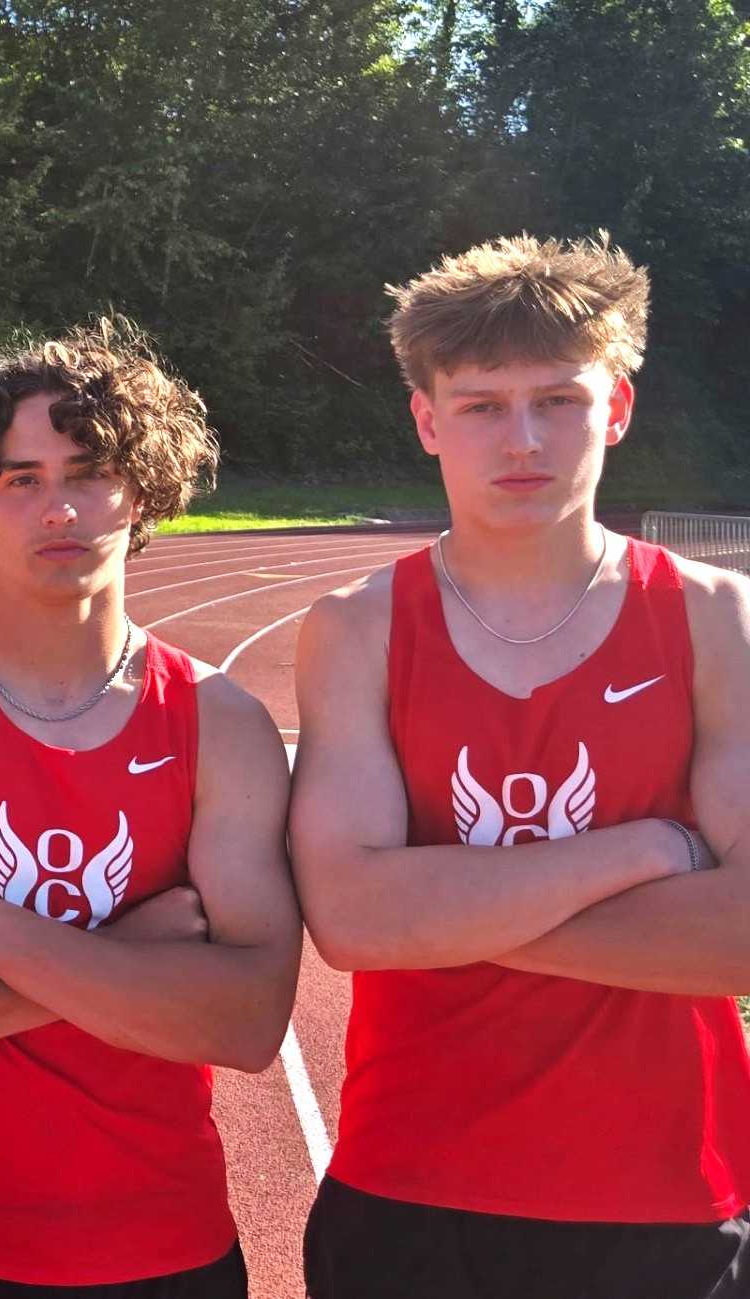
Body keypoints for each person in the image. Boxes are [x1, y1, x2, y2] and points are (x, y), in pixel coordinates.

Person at [291, 233, 750, 1298]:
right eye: (483, 405)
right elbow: (354, 920)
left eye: (560, 400)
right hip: (412, 1189)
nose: (523, 439)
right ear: (427, 420)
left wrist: (448, 912)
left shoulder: (715, 622)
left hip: (669, 1196)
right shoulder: (359, 629)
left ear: (619, 409)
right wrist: (644, 847)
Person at [0, 318, 301, 1298]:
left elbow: (248, 1020)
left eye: (87, 472)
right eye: (21, 479)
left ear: (143, 488)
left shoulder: (222, 723)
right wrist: (134, 963)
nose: (59, 509)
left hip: (167, 1248)